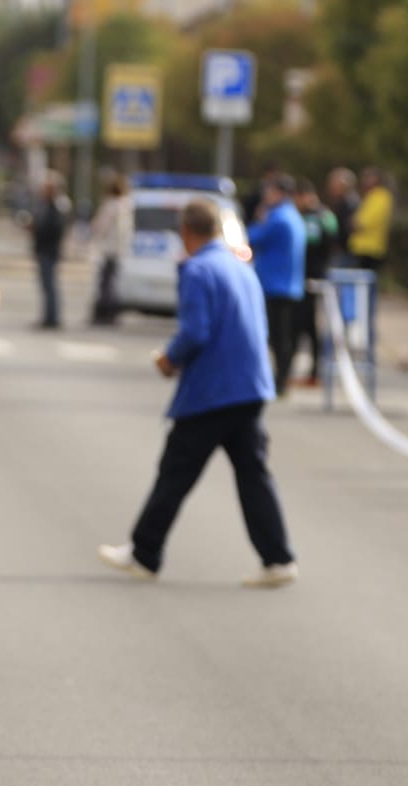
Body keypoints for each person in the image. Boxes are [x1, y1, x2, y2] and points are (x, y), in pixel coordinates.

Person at [98, 197, 297, 589]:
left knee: (175, 472)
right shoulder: (239, 267)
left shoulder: (197, 270)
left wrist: (168, 359)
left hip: (213, 390)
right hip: (250, 386)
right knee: (253, 475)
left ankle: (144, 552)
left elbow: (195, 331)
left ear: (186, 233)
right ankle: (277, 557)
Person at [246, 174, 306, 396]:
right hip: (287, 284)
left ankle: (280, 381)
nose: (265, 196)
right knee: (283, 336)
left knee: (277, 337)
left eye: (269, 192)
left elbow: (252, 236)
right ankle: (280, 379)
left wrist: (258, 218)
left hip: (275, 285)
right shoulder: (292, 215)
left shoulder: (278, 218)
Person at [292, 178, 338, 386]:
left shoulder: (317, 217)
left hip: (312, 277)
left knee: (307, 325)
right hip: (310, 276)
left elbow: (322, 245)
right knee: (306, 325)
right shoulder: (324, 215)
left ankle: (315, 372)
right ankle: (312, 371)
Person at [89, 173, 130, 326]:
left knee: (105, 284)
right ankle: (111, 314)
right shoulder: (126, 205)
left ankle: (103, 314)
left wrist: (94, 235)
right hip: (118, 250)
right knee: (112, 283)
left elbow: (100, 226)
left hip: (108, 249)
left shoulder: (111, 206)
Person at [28, 170, 65, 329]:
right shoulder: (45, 206)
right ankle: (49, 317)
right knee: (46, 287)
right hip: (44, 250)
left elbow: (54, 230)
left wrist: (36, 229)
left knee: (50, 287)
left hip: (48, 251)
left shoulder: (56, 207)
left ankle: (52, 319)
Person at [348, 166, 393, 274]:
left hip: (369, 248)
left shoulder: (380, 196)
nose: (364, 180)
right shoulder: (371, 196)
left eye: (367, 177)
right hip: (363, 248)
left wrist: (353, 224)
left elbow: (361, 223)